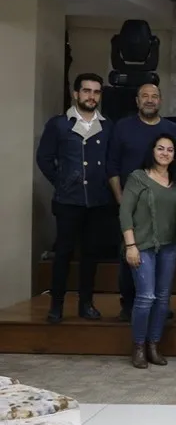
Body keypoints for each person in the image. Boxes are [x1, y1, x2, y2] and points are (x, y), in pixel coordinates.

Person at [36, 73, 114, 324]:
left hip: (98, 201)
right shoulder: (59, 124)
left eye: (96, 92)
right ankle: (56, 305)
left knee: (90, 255)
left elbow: (111, 161)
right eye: (87, 91)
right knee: (63, 254)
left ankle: (86, 303)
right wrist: (62, 181)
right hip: (68, 200)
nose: (92, 96)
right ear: (76, 93)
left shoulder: (108, 125)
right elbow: (44, 158)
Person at [107, 83, 176, 322]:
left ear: (160, 100)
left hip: (164, 206)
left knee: (163, 260)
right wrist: (122, 201)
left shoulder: (171, 129)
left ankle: (160, 306)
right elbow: (112, 166)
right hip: (130, 206)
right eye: (145, 96)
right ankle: (129, 304)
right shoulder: (123, 127)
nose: (150, 100)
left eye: (154, 96)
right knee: (129, 257)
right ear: (137, 100)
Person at [119, 133, 176, 368]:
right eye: (161, 148)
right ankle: (138, 346)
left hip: (170, 246)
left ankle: (153, 345)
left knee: (163, 299)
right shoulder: (138, 178)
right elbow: (125, 213)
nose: (165, 153)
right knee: (146, 296)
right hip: (141, 245)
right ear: (152, 151)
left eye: (170, 149)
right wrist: (130, 246)